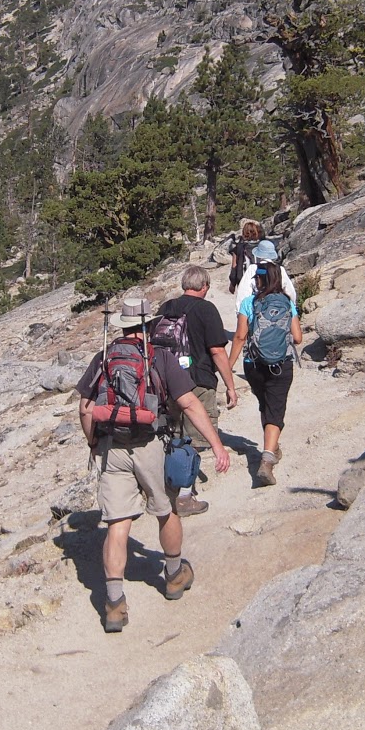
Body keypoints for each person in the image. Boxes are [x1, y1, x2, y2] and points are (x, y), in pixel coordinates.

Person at [77, 298, 231, 633]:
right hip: (151, 444)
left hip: (112, 448)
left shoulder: (104, 356)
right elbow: (188, 403)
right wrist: (217, 445)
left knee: (117, 524)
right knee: (166, 510)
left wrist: (93, 444)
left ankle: (115, 603)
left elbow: (86, 408)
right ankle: (174, 575)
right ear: (147, 325)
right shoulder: (158, 357)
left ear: (120, 325)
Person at [156, 265, 239, 516]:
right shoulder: (206, 309)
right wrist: (230, 386)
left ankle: (166, 485)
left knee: (173, 434)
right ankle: (184, 496)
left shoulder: (166, 307)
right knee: (194, 439)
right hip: (198, 381)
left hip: (167, 381)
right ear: (204, 287)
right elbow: (217, 351)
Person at [227, 262, 303, 486]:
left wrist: (229, 366)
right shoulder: (287, 303)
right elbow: (298, 338)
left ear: (259, 280)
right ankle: (268, 458)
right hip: (281, 364)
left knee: (266, 405)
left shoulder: (249, 303)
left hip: (254, 364)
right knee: (276, 406)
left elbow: (240, 336)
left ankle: (272, 448)